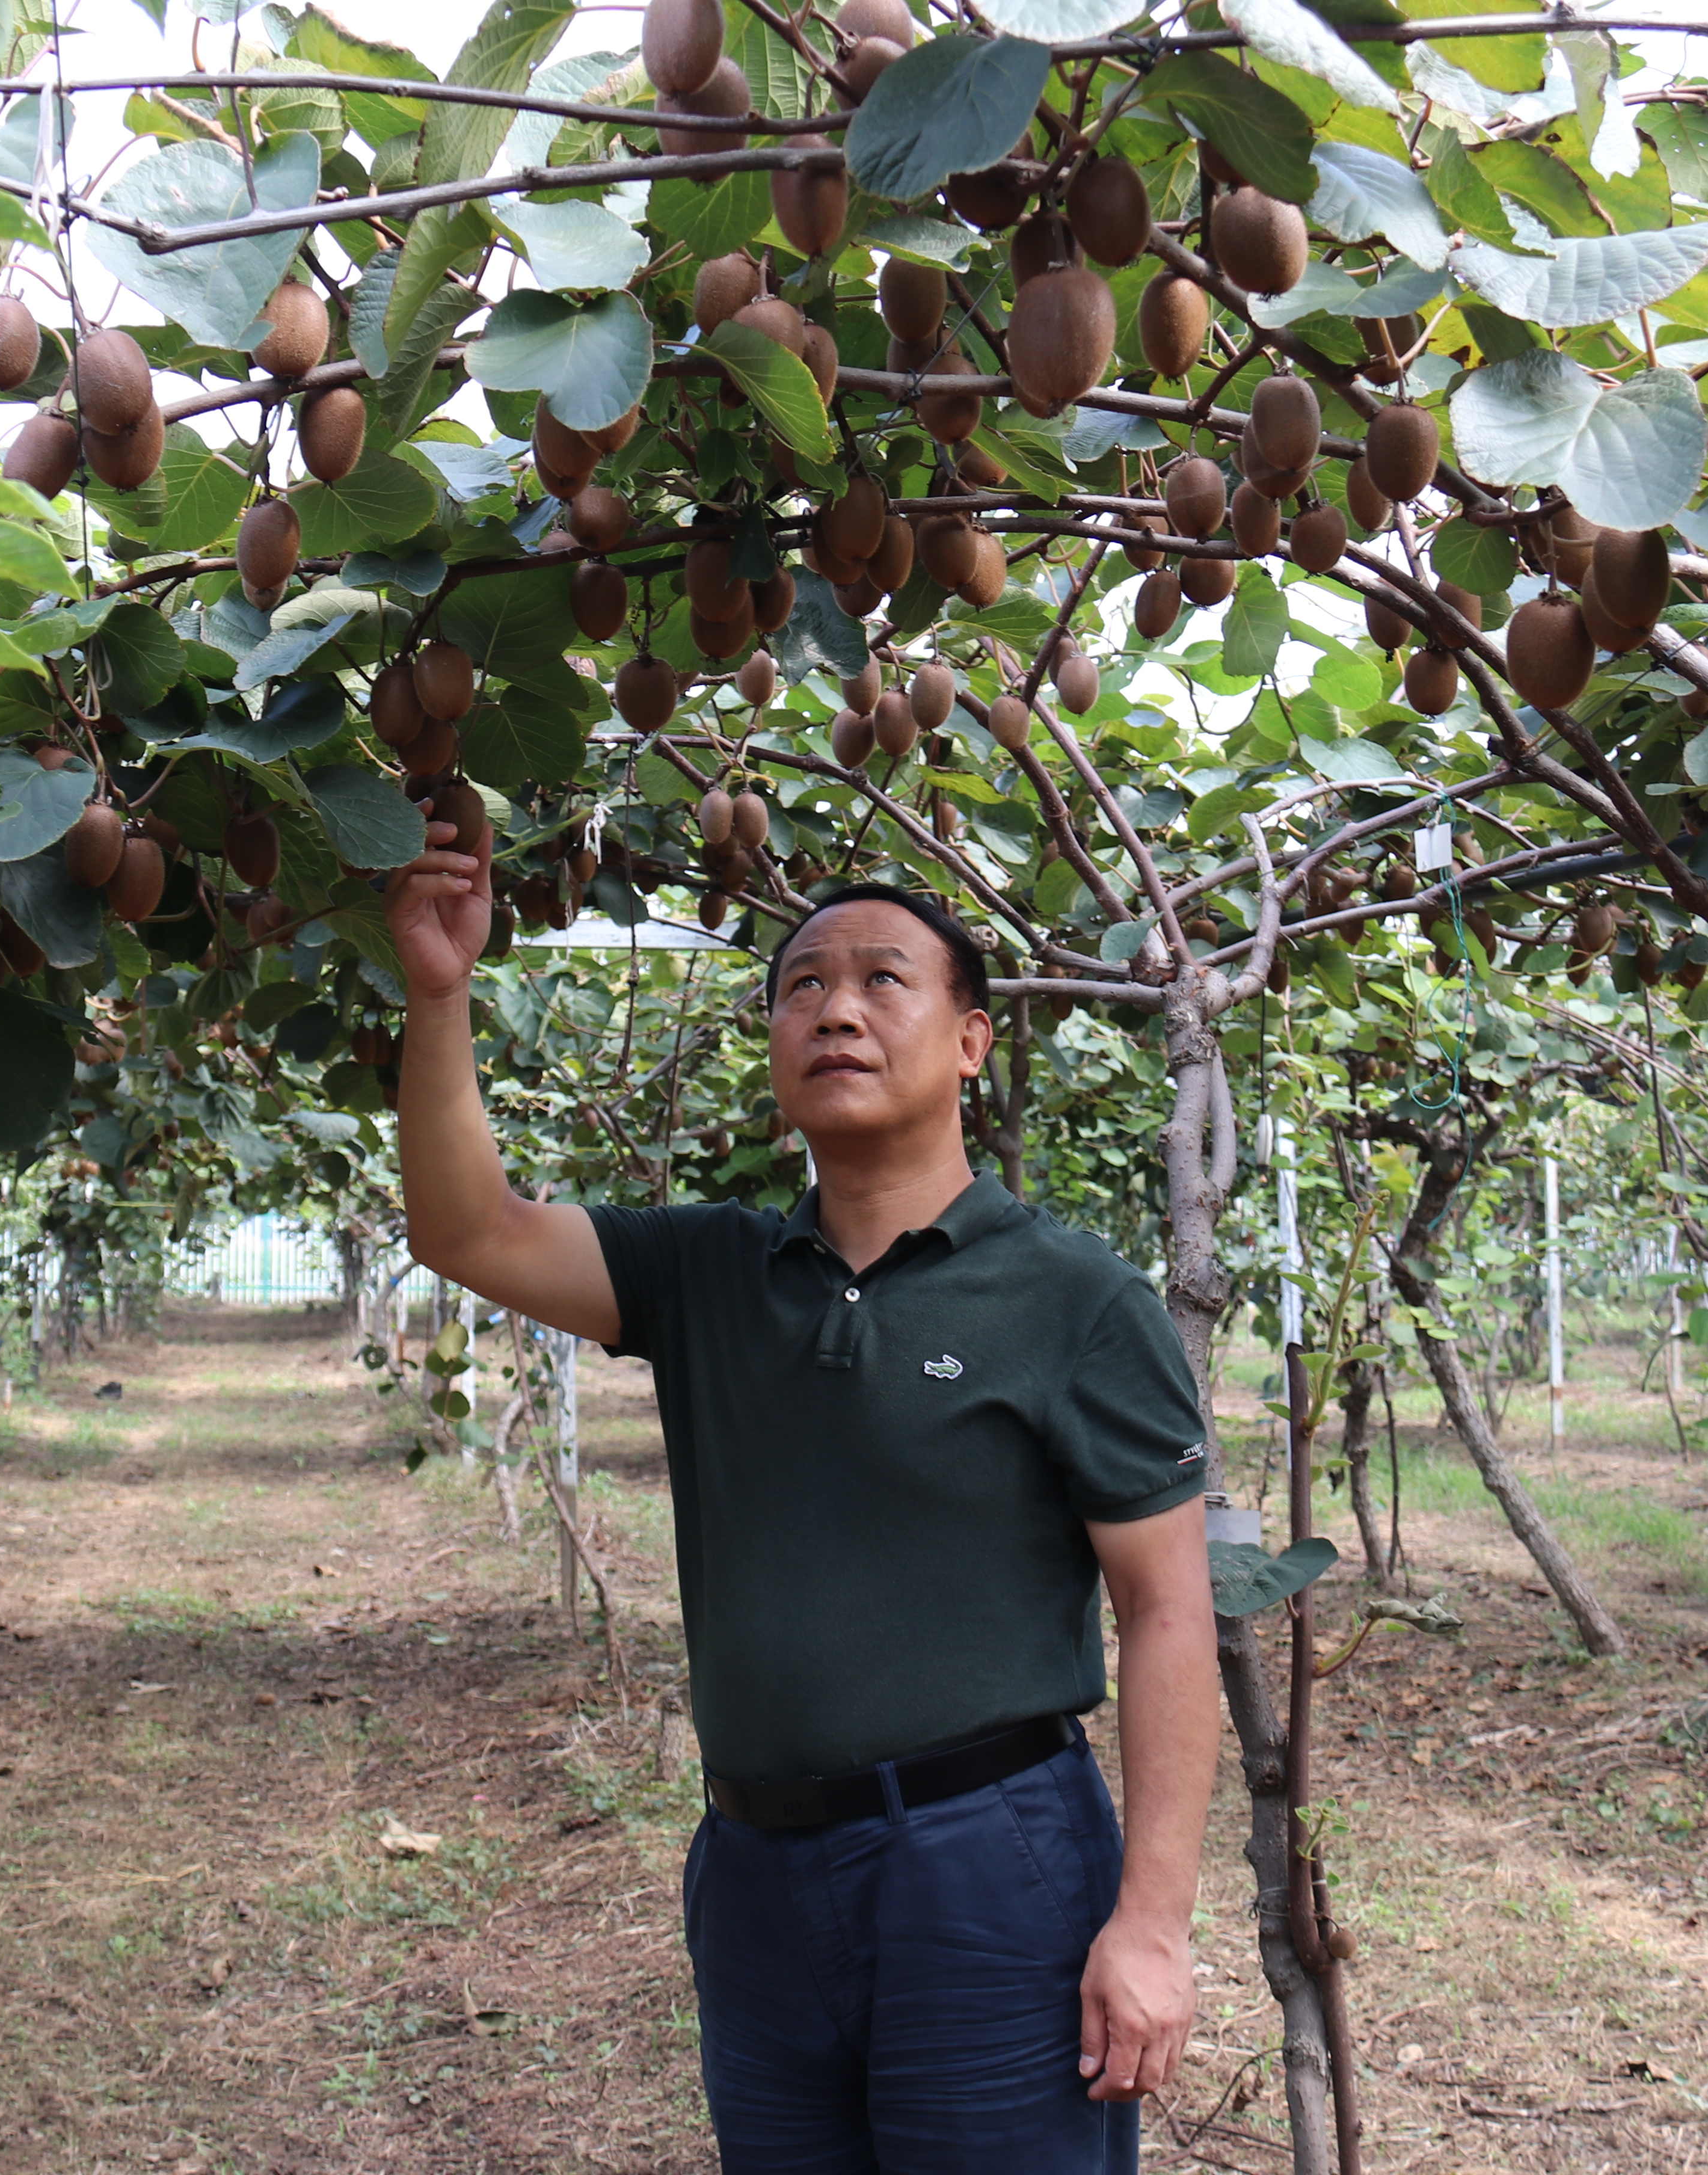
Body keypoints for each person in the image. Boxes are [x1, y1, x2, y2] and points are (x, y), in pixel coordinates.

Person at [386, 840, 1220, 2175]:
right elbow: (469, 1229)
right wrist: (440, 996)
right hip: (758, 1866)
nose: (834, 1008)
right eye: (802, 986)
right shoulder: (710, 1269)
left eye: (884, 979)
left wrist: (1152, 1923)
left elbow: (1169, 1609)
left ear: (969, 1041)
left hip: (986, 1861)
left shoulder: (1071, 1297)